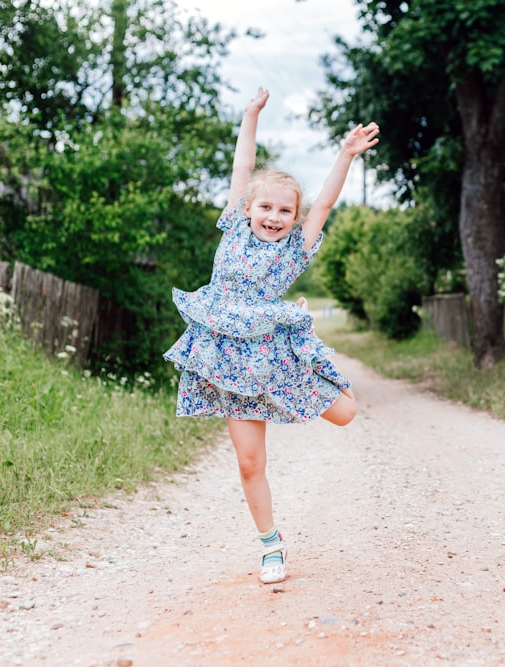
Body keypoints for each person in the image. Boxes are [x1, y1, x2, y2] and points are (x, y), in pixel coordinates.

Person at [164, 87, 380, 584]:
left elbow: (324, 201)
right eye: (266, 207)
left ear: (294, 218)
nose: (273, 217)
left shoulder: (295, 249)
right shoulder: (236, 226)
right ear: (249, 207)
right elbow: (243, 167)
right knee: (248, 461)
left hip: (273, 353)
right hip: (227, 358)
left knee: (346, 414)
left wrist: (345, 155)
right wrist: (249, 115)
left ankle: (309, 344)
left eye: (285, 211)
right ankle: (270, 546)